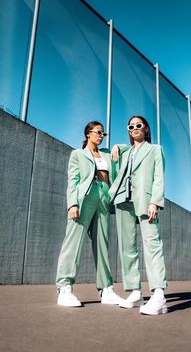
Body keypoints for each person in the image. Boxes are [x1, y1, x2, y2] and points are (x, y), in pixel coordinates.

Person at [56, 121, 121, 307]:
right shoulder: (77, 155)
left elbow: (126, 153)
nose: (101, 136)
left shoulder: (108, 154)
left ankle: (106, 289)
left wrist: (117, 146)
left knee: (102, 243)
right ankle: (65, 288)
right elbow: (73, 181)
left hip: (104, 197)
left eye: (104, 134)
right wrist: (72, 204)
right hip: (84, 197)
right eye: (98, 132)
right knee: (73, 243)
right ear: (88, 134)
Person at [109, 116, 168, 315]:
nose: (134, 128)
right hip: (123, 200)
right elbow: (118, 170)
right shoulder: (126, 152)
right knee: (128, 247)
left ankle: (159, 294)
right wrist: (117, 147)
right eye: (131, 126)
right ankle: (135, 292)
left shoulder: (155, 149)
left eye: (138, 125)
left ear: (146, 129)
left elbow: (159, 177)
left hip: (146, 201)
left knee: (152, 244)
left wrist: (155, 202)